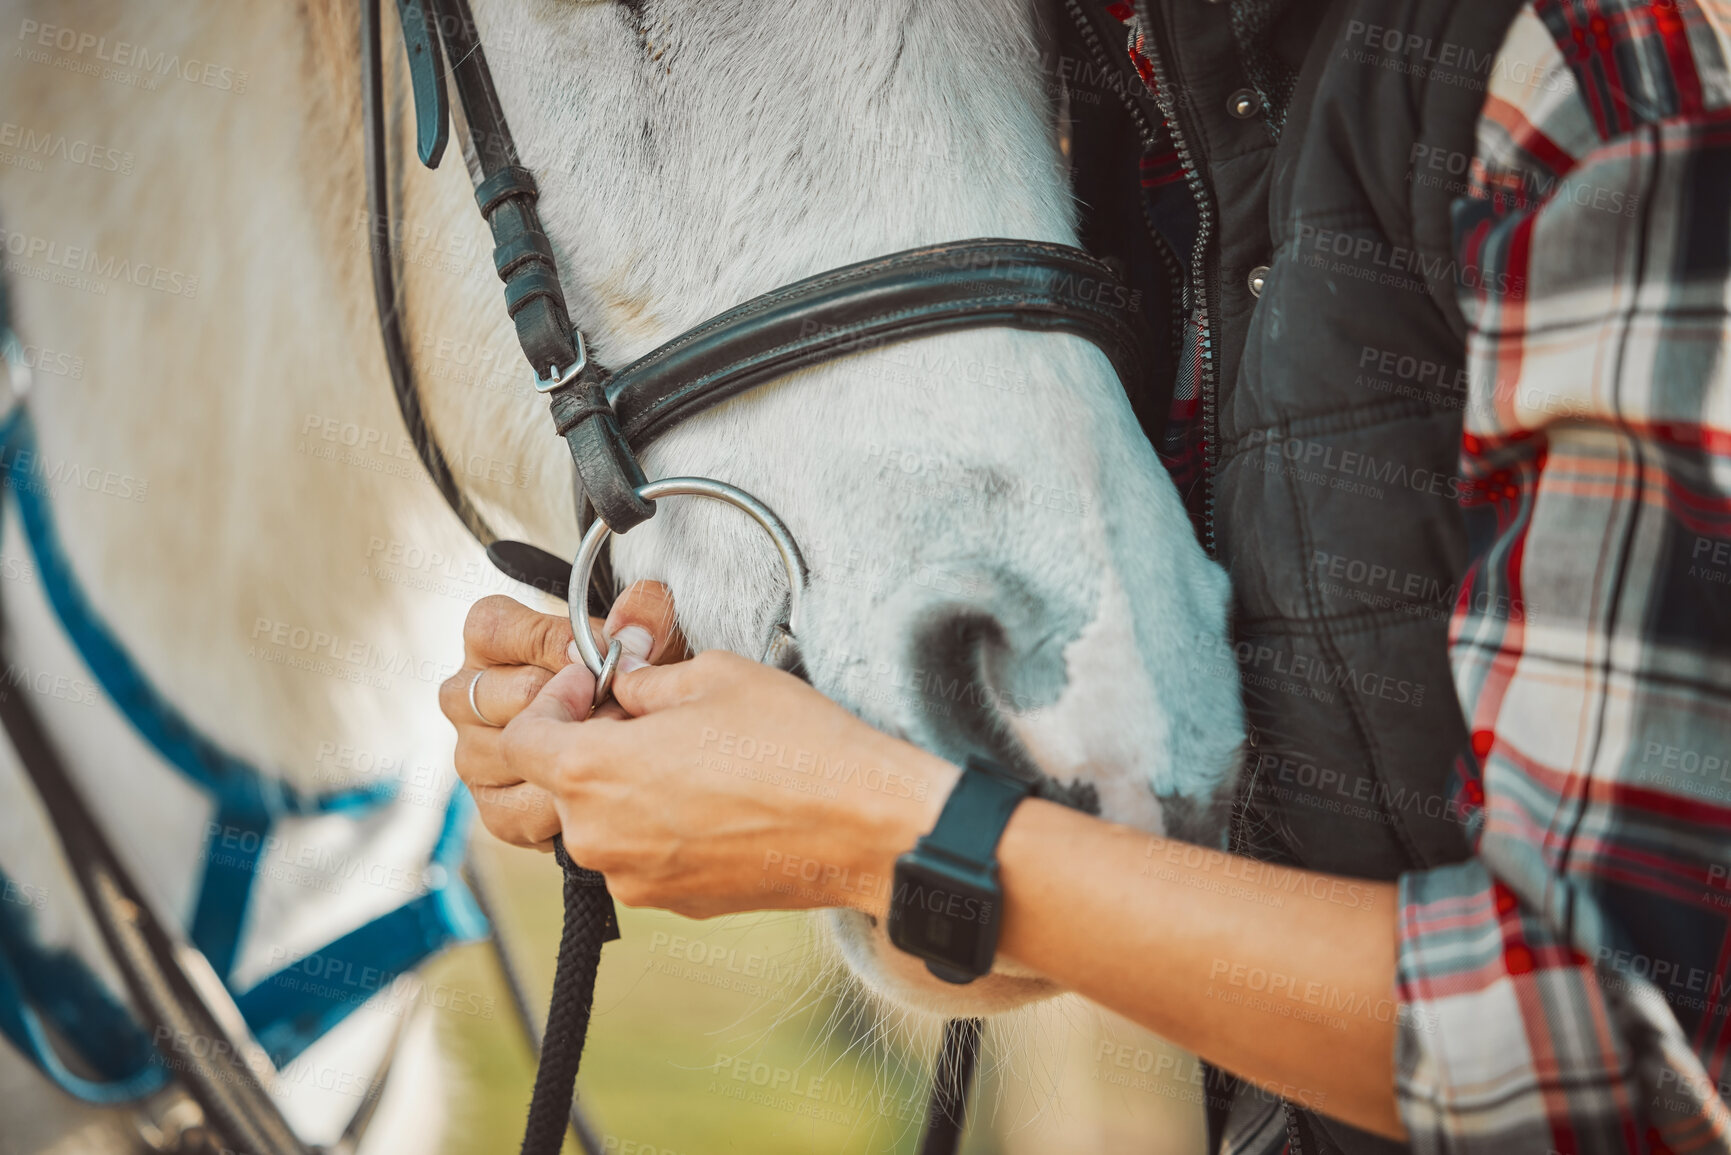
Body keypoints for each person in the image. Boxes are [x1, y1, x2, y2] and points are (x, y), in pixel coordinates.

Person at [441, 2, 1731, 1153]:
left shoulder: (1578, 75)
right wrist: (734, 712)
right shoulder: (1136, 94)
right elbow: (1100, 848)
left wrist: (881, 829)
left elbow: (1620, 1061)